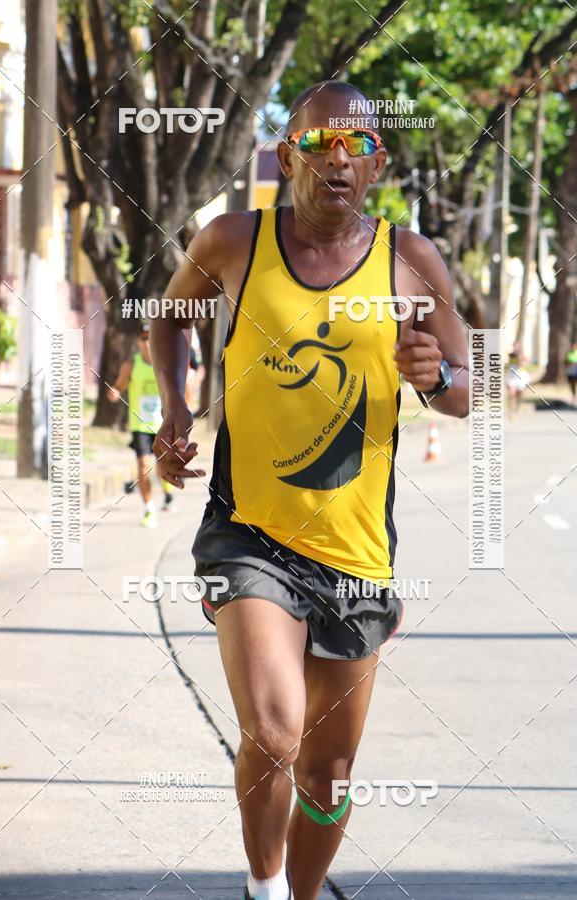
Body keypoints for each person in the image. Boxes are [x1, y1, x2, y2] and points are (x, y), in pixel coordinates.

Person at [150, 80, 469, 900]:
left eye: (357, 147)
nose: (338, 159)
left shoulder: (411, 258)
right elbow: (167, 315)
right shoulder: (232, 241)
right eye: (320, 143)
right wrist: (177, 410)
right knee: (276, 731)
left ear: (377, 165)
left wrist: (439, 377)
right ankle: (264, 890)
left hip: (357, 553)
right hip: (248, 533)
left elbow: (476, 383)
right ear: (287, 155)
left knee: (328, 774)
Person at [107, 324, 174, 528]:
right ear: (138, 342)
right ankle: (149, 509)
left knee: (162, 466)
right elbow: (120, 386)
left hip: (162, 426)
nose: (147, 342)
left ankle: (168, 492)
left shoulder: (166, 365)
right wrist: (115, 393)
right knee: (144, 466)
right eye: (143, 338)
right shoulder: (132, 364)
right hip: (140, 425)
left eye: (150, 338)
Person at [505, 341, 529, 419]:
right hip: (511, 376)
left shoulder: (522, 355)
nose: (516, 348)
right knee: (512, 394)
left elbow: (522, 364)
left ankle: (517, 407)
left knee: (519, 394)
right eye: (514, 346)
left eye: (517, 346)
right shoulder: (511, 355)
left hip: (520, 376)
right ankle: (511, 412)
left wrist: (520, 358)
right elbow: (507, 364)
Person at [565, 341, 577, 405]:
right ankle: (574, 396)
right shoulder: (569, 353)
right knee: (572, 385)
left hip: (576, 371)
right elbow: (565, 361)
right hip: (570, 371)